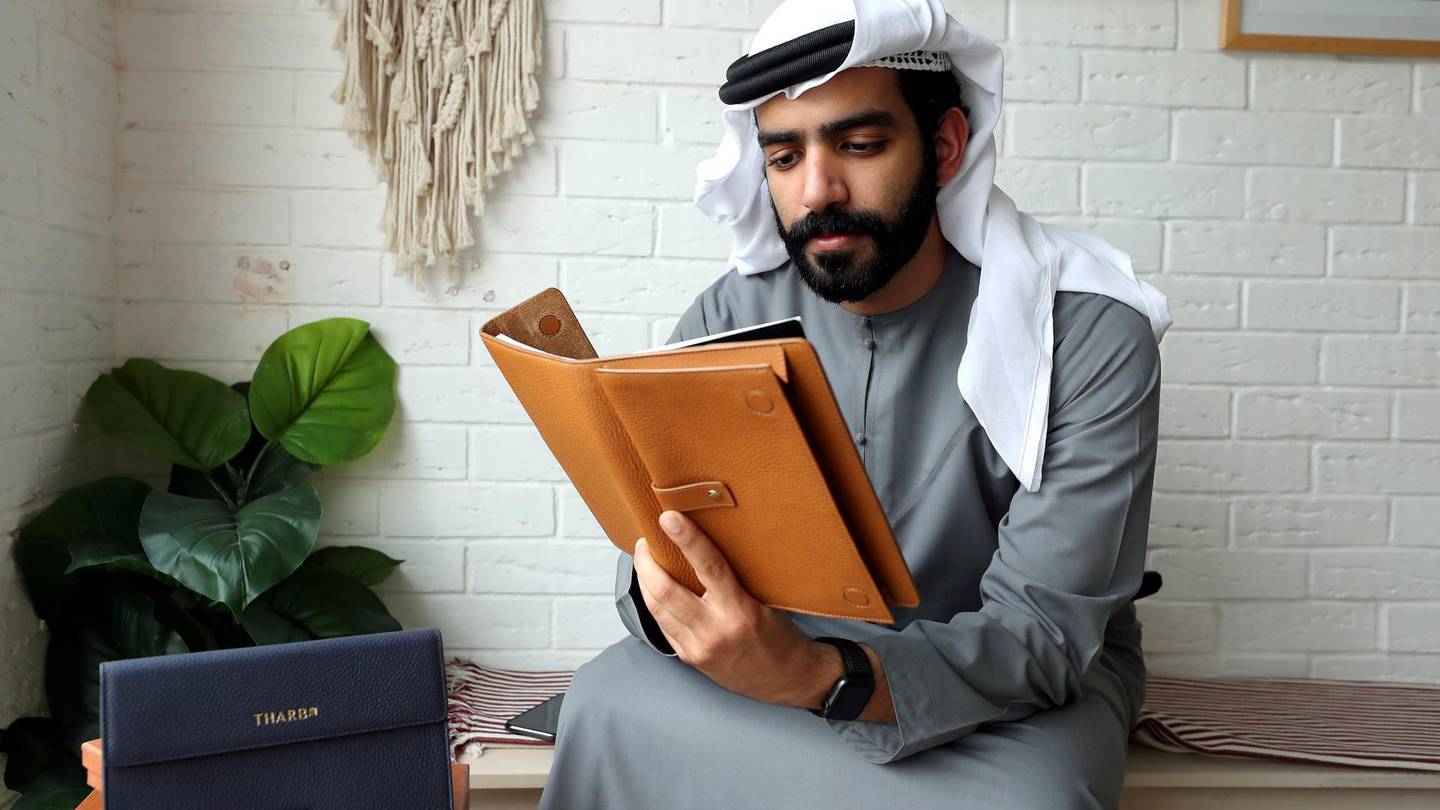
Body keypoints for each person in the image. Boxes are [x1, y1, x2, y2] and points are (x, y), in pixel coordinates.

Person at [537, 1, 1172, 807]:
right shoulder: (727, 316)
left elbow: (1042, 637)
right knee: (604, 704)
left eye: (860, 145)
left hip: (1009, 691)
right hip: (777, 649)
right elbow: (664, 550)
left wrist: (817, 677)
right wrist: (687, 606)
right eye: (783, 156)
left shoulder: (1087, 332)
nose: (818, 190)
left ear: (945, 147)